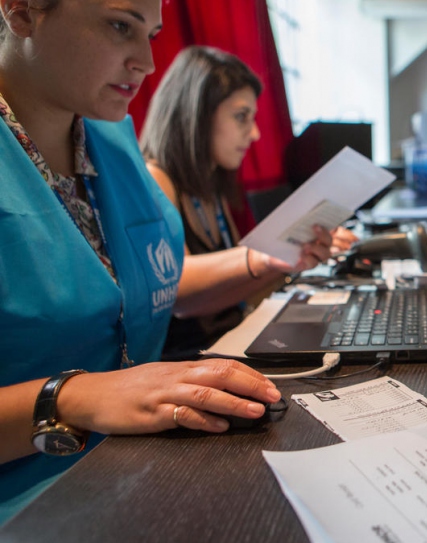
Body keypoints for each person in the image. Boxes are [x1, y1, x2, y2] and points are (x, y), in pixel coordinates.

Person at [0, 0, 318, 524]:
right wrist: (74, 397)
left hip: (137, 469)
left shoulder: (109, 142)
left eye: (151, 33)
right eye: (120, 26)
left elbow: (160, 287)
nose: (146, 61)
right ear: (22, 11)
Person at [140, 46, 357, 359]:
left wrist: (295, 253)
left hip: (225, 346)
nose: (254, 133)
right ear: (195, 116)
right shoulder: (155, 178)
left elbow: (223, 296)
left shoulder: (211, 184)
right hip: (186, 362)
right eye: (242, 116)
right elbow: (176, 291)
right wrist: (267, 254)